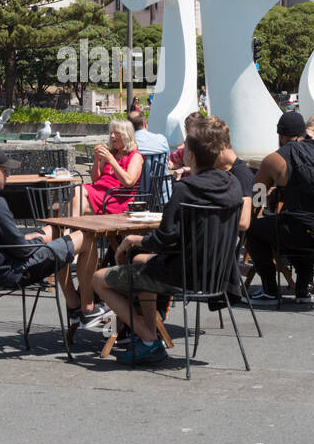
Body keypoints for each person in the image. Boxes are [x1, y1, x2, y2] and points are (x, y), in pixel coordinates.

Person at [92, 116, 243, 364]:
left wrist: (132, 240)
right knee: (140, 263)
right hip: (218, 274)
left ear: (191, 156)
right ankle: (148, 338)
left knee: (99, 279)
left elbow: (165, 238)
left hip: (181, 274)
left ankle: (149, 338)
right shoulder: (233, 184)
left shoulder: (185, 189)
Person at [0, 145, 106, 331]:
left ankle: (73, 307)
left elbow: (3, 239)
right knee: (86, 237)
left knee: (53, 231)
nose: (8, 175)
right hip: (13, 271)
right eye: (5, 170)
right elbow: (22, 251)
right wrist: (36, 241)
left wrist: (31, 237)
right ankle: (87, 310)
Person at [247, 111, 314, 303]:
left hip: (305, 232)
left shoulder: (275, 159)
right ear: (303, 131)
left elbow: (257, 196)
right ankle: (302, 290)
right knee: (300, 222)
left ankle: (269, 289)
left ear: (281, 135)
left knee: (255, 230)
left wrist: (267, 197)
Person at [74, 119, 144, 215]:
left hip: (116, 198)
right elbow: (95, 179)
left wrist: (111, 160)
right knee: (79, 198)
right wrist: (97, 160)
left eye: (116, 133)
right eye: (111, 133)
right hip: (100, 192)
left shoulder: (135, 156)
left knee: (78, 190)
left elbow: (129, 182)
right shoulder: (111, 153)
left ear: (127, 136)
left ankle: (67, 228)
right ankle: (68, 229)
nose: (112, 136)